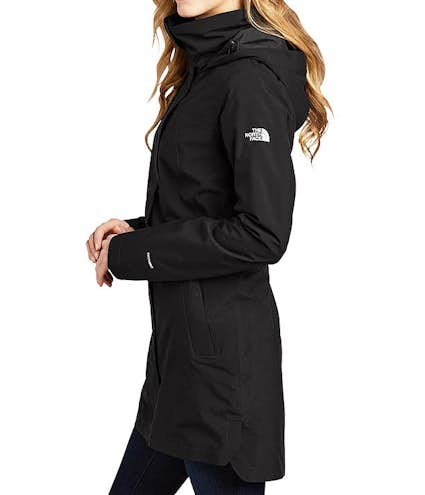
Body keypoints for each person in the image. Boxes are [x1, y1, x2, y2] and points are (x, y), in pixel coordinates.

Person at [86, 0, 330, 493]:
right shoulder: (207, 65)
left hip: (220, 384)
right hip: (176, 370)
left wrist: (135, 255)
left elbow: (262, 232)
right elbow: (207, 204)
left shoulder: (249, 77)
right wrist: (136, 231)